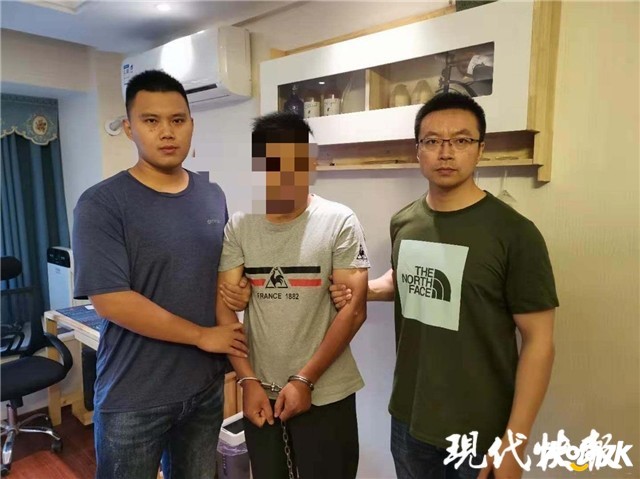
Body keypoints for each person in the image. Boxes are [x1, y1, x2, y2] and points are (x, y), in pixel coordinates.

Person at [331, 93, 558, 479]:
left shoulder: (515, 234)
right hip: (409, 418)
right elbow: (406, 278)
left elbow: (540, 341)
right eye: (433, 140)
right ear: (418, 150)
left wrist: (514, 443)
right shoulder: (405, 222)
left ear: (480, 149)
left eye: (461, 140)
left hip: (480, 431)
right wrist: (363, 289)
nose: (446, 152)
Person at [73, 69, 251, 479]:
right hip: (135, 394)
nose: (167, 132)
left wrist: (237, 292)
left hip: (204, 387)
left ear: (191, 124)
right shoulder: (102, 203)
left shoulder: (212, 195)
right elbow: (111, 300)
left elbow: (216, 274)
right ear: (129, 128)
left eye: (177, 120)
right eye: (151, 120)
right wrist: (202, 335)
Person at [216, 112, 370, 479]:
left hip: (328, 392)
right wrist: (247, 381)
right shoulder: (240, 225)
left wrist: (305, 380)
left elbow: (354, 311)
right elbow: (224, 310)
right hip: (261, 393)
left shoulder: (339, 221)